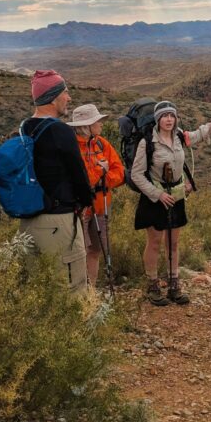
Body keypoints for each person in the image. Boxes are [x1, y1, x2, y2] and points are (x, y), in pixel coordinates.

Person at [132, 99, 211, 305]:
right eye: (164, 116)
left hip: (176, 197)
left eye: (172, 115)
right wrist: (157, 194)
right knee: (154, 242)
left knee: (174, 242)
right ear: (157, 119)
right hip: (155, 199)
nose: (169, 119)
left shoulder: (180, 137)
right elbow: (136, 175)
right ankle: (152, 284)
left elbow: (201, 132)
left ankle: (174, 284)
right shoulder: (147, 142)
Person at [19, 70, 95, 292]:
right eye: (65, 93)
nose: (69, 98)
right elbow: (78, 173)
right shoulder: (60, 130)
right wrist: (86, 200)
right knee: (71, 285)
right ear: (53, 97)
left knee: (38, 287)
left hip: (28, 220)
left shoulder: (24, 126)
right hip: (58, 220)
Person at [71, 103, 125, 286]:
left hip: (101, 206)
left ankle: (91, 291)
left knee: (95, 249)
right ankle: (80, 291)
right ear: (86, 125)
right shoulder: (72, 148)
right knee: (79, 251)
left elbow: (120, 172)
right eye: (97, 121)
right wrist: (99, 172)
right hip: (79, 210)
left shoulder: (102, 144)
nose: (101, 124)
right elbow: (82, 181)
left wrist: (104, 178)